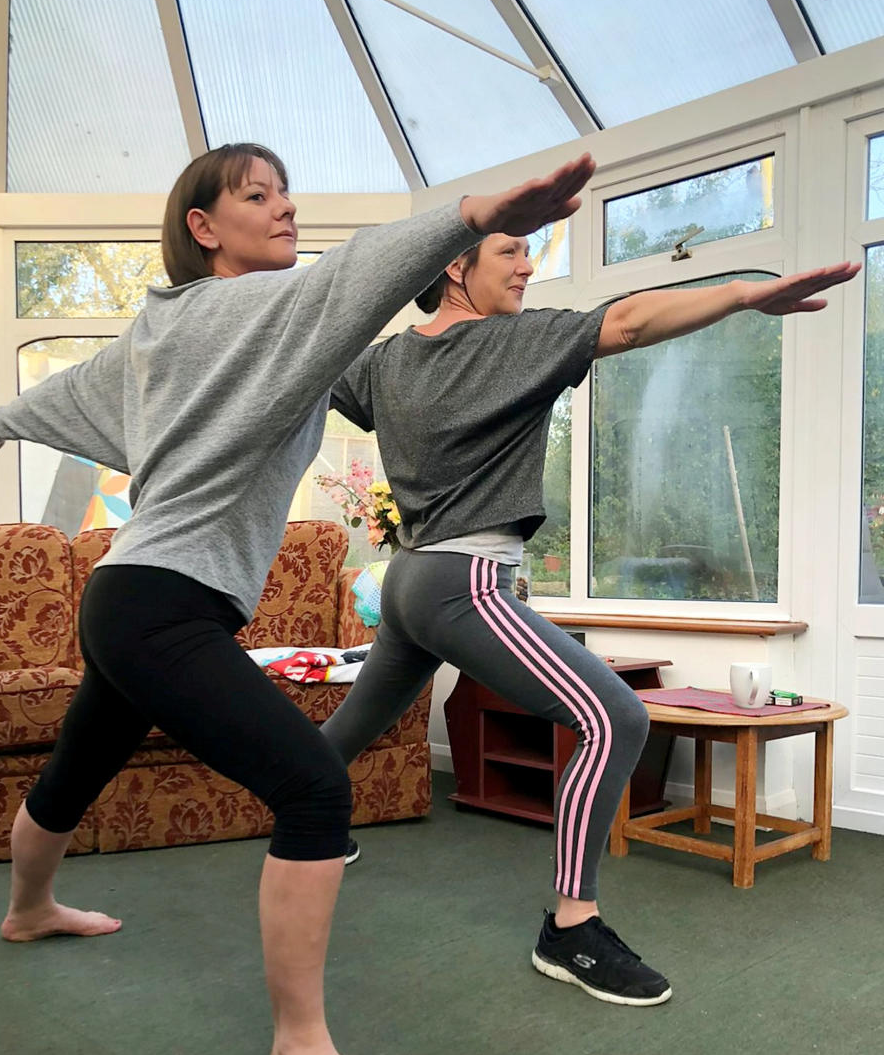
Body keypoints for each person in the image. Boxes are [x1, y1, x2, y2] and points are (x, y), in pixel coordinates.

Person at [0, 142, 596, 1055]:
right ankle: (300, 1051)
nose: (285, 210)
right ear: (204, 227)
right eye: (257, 196)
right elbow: (358, 274)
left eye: (287, 192)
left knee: (75, 769)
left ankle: (29, 909)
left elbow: (83, 384)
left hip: (127, 597)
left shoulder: (169, 329)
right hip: (164, 603)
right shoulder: (249, 309)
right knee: (315, 787)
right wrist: (469, 216)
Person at [325, 232, 861, 1007]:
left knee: (348, 731)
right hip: (463, 582)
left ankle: (299, 813)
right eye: (509, 250)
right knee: (616, 717)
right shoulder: (512, 341)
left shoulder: (383, 362)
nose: (526, 265)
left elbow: (304, 383)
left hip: (409, 576)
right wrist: (745, 294)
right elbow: (633, 319)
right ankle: (572, 926)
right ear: (453, 264)